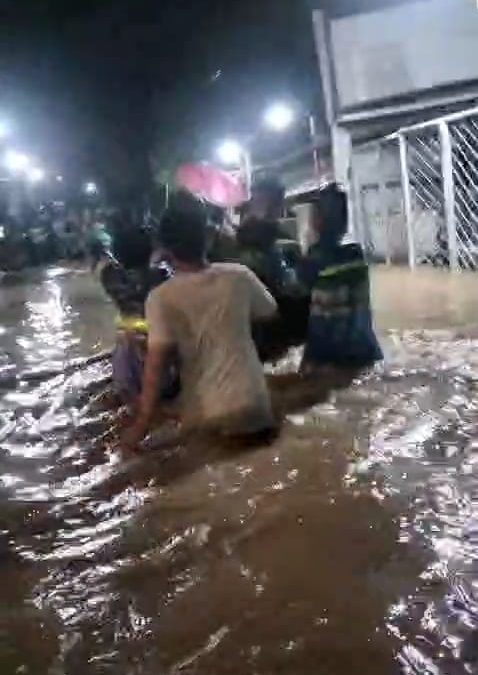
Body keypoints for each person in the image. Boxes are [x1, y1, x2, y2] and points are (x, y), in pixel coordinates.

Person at [122, 195, 278, 450]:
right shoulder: (239, 276)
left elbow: (155, 369)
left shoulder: (161, 298)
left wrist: (140, 426)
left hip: (209, 416)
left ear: (165, 249)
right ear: (208, 237)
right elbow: (270, 313)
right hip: (256, 404)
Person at [299, 182, 383, 371]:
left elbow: (299, 294)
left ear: (316, 222)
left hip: (327, 354)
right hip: (364, 349)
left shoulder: (313, 259)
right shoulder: (356, 255)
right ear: (345, 223)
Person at [89, 224, 176, 404]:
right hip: (159, 348)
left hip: (127, 352)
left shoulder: (110, 277)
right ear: (151, 249)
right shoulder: (162, 277)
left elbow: (108, 265)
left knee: (127, 400)